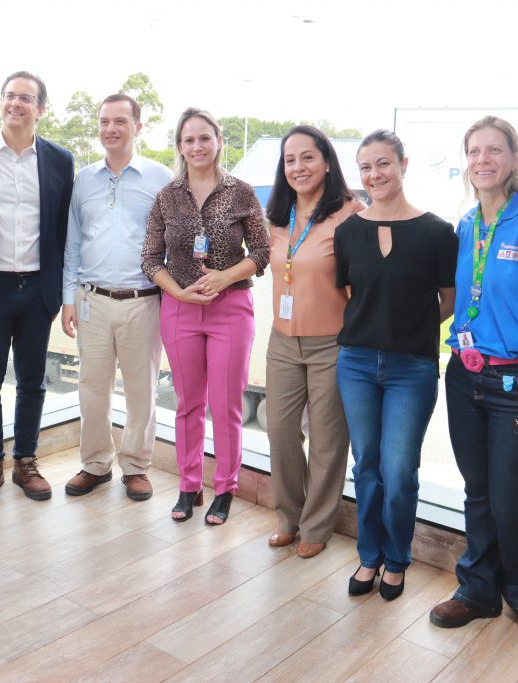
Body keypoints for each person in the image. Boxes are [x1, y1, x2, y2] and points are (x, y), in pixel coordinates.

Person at [430, 116, 518, 648]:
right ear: (466, 161)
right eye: (474, 151)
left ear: (514, 159)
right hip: (464, 378)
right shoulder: (467, 225)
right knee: (478, 493)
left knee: (511, 500)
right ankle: (479, 591)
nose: (483, 159)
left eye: (494, 150)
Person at [334, 129, 457, 599]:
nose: (374, 174)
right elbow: (352, 294)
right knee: (366, 465)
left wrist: (409, 327)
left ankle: (397, 559)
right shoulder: (349, 232)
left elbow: (448, 299)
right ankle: (369, 556)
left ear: (404, 165)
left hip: (413, 368)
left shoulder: (437, 233)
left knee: (400, 471)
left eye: (383, 163)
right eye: (365, 167)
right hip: (357, 364)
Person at [142, 107, 269, 525]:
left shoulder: (241, 192)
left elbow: (262, 252)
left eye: (204, 138)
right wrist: (179, 292)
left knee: (226, 405)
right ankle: (189, 485)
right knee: (188, 404)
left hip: (230, 308)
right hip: (179, 309)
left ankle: (225, 488)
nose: (196, 146)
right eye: (188, 139)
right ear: (180, 146)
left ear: (219, 141)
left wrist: (225, 276)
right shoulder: (167, 196)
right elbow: (150, 258)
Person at [0, 71, 75, 505]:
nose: (15, 104)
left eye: (26, 98)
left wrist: (58, 290)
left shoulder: (60, 160)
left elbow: (63, 229)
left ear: (41, 108)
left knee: (32, 382)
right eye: (9, 96)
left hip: (38, 289)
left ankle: (25, 461)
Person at [60, 94, 172, 501]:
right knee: (92, 388)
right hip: (92, 300)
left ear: (137, 127)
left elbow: (173, 242)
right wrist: (68, 299)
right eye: (104, 121)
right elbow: (73, 243)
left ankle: (137, 466)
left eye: (120, 121)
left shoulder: (161, 178)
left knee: (142, 390)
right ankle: (95, 464)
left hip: (144, 300)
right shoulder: (84, 179)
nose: (110, 129)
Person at [264, 126, 363, 558]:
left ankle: (316, 526)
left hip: (331, 345)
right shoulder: (277, 216)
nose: (298, 167)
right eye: (290, 160)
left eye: (308, 157)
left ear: (326, 161)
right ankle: (288, 517)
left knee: (327, 440)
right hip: (282, 342)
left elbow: (365, 284)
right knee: (280, 431)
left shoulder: (351, 214)